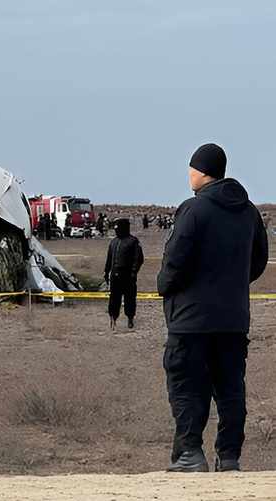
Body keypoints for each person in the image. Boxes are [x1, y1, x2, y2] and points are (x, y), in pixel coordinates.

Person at [157, 143, 268, 473]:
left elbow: (175, 260)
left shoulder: (194, 210)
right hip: (233, 319)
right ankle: (229, 457)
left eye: (191, 168)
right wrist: (232, 285)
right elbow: (259, 260)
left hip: (191, 321)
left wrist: (166, 285)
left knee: (187, 387)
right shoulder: (248, 211)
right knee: (231, 389)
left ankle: (190, 453)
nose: (189, 175)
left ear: (201, 171)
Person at [104, 218, 143, 329]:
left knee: (129, 298)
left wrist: (133, 272)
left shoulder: (133, 241)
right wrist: (106, 272)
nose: (116, 230)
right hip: (115, 274)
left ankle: (130, 318)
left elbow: (138, 259)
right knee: (114, 298)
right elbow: (109, 259)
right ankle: (113, 318)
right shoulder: (114, 242)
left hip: (128, 275)